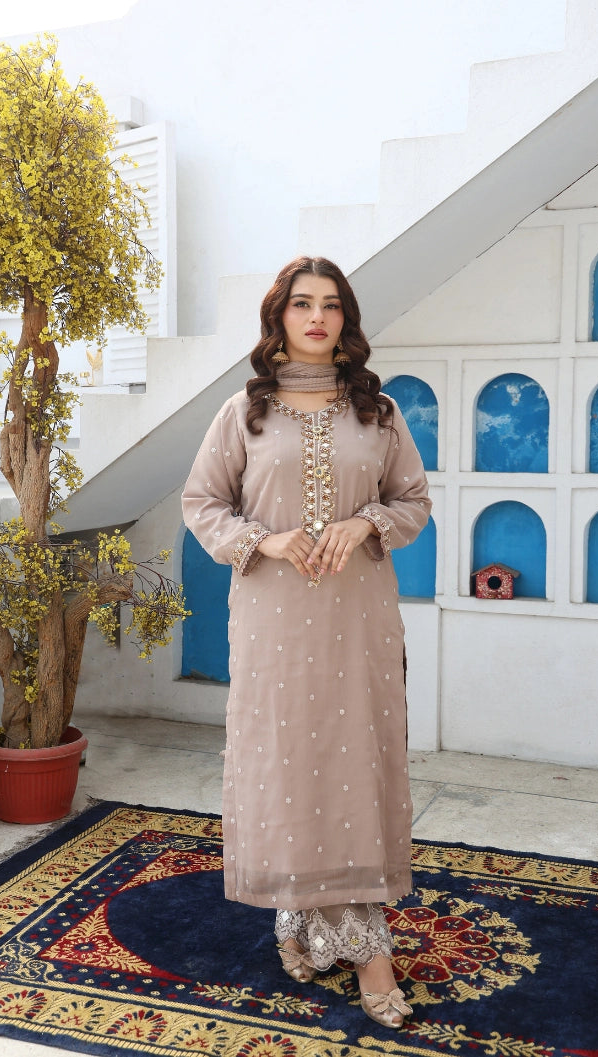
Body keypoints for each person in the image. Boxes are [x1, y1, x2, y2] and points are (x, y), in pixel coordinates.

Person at [181, 256, 431, 1030]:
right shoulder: (244, 413)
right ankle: (308, 917)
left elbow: (413, 500)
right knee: (290, 767)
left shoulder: (378, 412)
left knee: (354, 764)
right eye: (301, 304)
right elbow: (203, 503)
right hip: (275, 621)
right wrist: (266, 539)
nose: (316, 317)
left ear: (345, 319)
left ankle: (360, 944)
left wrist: (365, 522)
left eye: (330, 304)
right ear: (279, 317)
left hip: (357, 620)